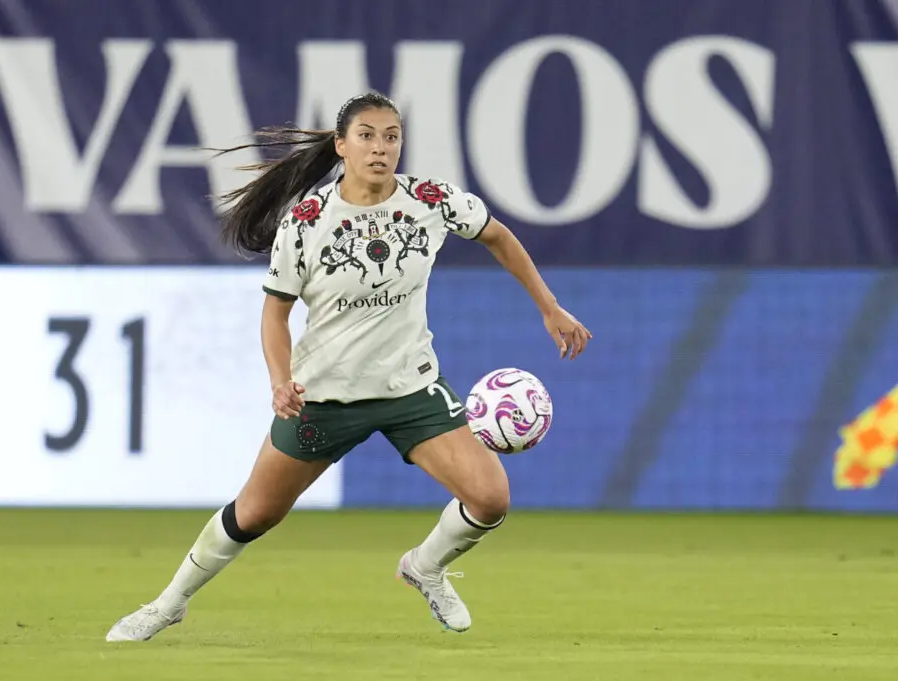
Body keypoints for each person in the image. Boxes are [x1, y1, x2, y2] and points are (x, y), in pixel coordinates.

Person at [105, 91, 591, 642]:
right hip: (325, 396)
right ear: (341, 146)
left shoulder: (431, 200)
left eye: (391, 136)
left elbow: (498, 236)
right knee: (255, 514)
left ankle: (424, 567)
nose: (381, 148)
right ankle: (168, 604)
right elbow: (274, 312)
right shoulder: (307, 221)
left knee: (490, 497)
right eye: (366, 136)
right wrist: (279, 380)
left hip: (410, 388)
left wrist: (549, 307)